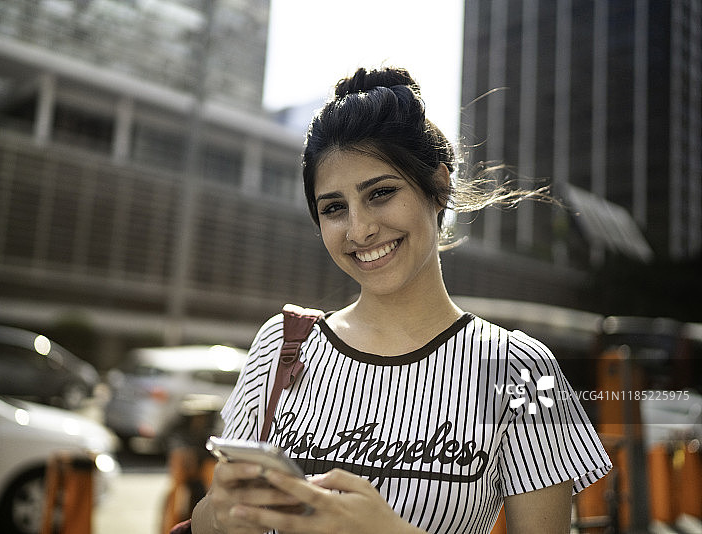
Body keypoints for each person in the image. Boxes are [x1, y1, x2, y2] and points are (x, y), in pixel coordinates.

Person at [190, 67, 611, 534]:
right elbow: (211, 515)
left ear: (439, 186)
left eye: (381, 193)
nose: (359, 229)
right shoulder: (282, 343)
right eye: (333, 208)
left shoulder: (523, 370)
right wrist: (221, 513)